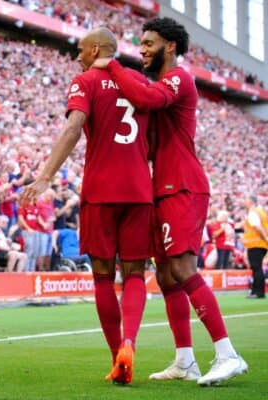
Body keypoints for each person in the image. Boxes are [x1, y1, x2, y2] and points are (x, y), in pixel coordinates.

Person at [92, 17, 247, 385]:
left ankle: (228, 353)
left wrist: (111, 64)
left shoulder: (180, 78)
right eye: (140, 43)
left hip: (183, 186)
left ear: (171, 46)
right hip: (159, 188)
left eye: (149, 43)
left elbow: (146, 99)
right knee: (165, 276)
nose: (142, 49)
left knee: (182, 269)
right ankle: (185, 360)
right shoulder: (158, 82)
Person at [21, 27, 153, 385]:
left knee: (103, 277)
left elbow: (74, 127)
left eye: (80, 49)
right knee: (136, 275)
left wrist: (46, 175)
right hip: (140, 189)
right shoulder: (139, 83)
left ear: (95, 49)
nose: (76, 56)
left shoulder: (86, 80)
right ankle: (130, 343)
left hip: (100, 188)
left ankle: (116, 358)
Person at [241, 196, 268, 299]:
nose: (245, 202)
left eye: (246, 200)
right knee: (257, 268)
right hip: (261, 244)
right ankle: (256, 291)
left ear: (251, 202)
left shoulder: (253, 212)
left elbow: (257, 227)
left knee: (256, 268)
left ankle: (258, 292)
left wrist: (265, 238)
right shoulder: (261, 212)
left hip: (256, 244)